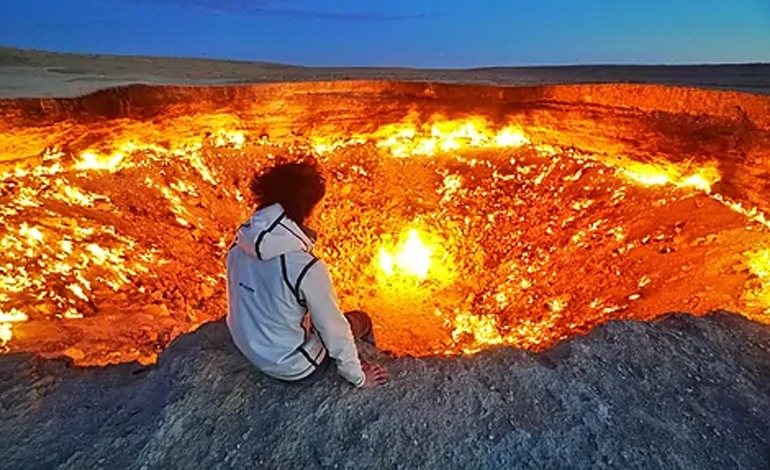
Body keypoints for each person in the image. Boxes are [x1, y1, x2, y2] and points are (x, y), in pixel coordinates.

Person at [225, 160, 389, 388]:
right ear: (307, 208)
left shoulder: (240, 243)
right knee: (359, 320)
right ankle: (370, 360)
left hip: (248, 347)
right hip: (294, 365)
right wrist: (358, 377)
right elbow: (334, 329)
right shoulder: (303, 265)